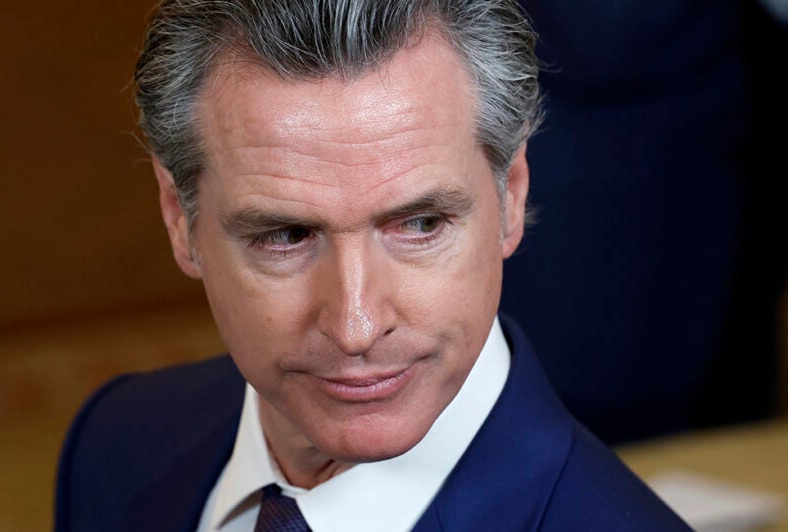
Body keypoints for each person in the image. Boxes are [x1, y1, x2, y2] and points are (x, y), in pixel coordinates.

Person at [55, 1, 688, 530]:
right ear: (179, 219)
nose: (355, 328)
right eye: (286, 236)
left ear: (511, 197)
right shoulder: (112, 442)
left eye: (420, 225)